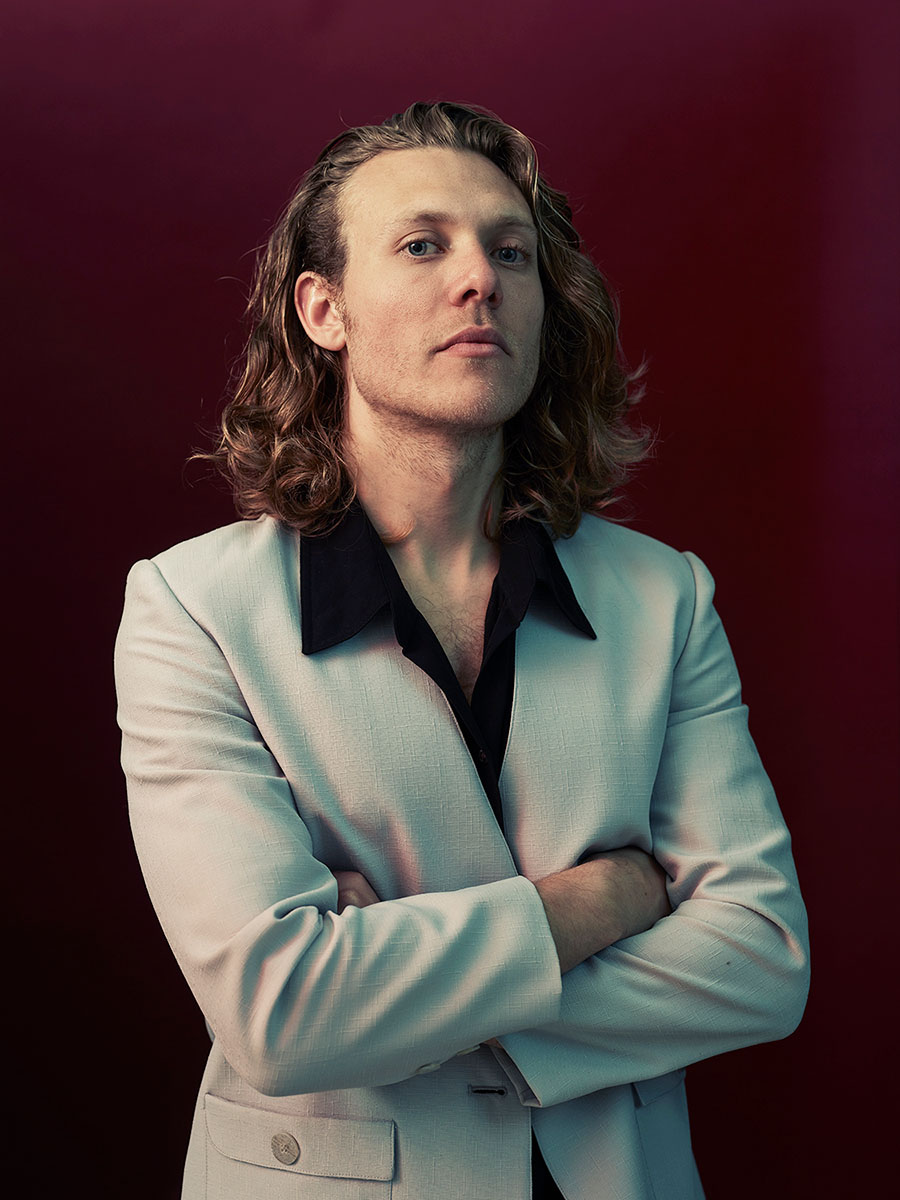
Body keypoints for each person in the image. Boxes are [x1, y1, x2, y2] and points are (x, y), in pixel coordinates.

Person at [114, 101, 810, 1200]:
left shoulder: (662, 597)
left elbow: (762, 961)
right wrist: (605, 902)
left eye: (512, 251)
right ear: (324, 309)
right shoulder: (192, 607)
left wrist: (383, 985)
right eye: (424, 244)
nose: (480, 277)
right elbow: (281, 1016)